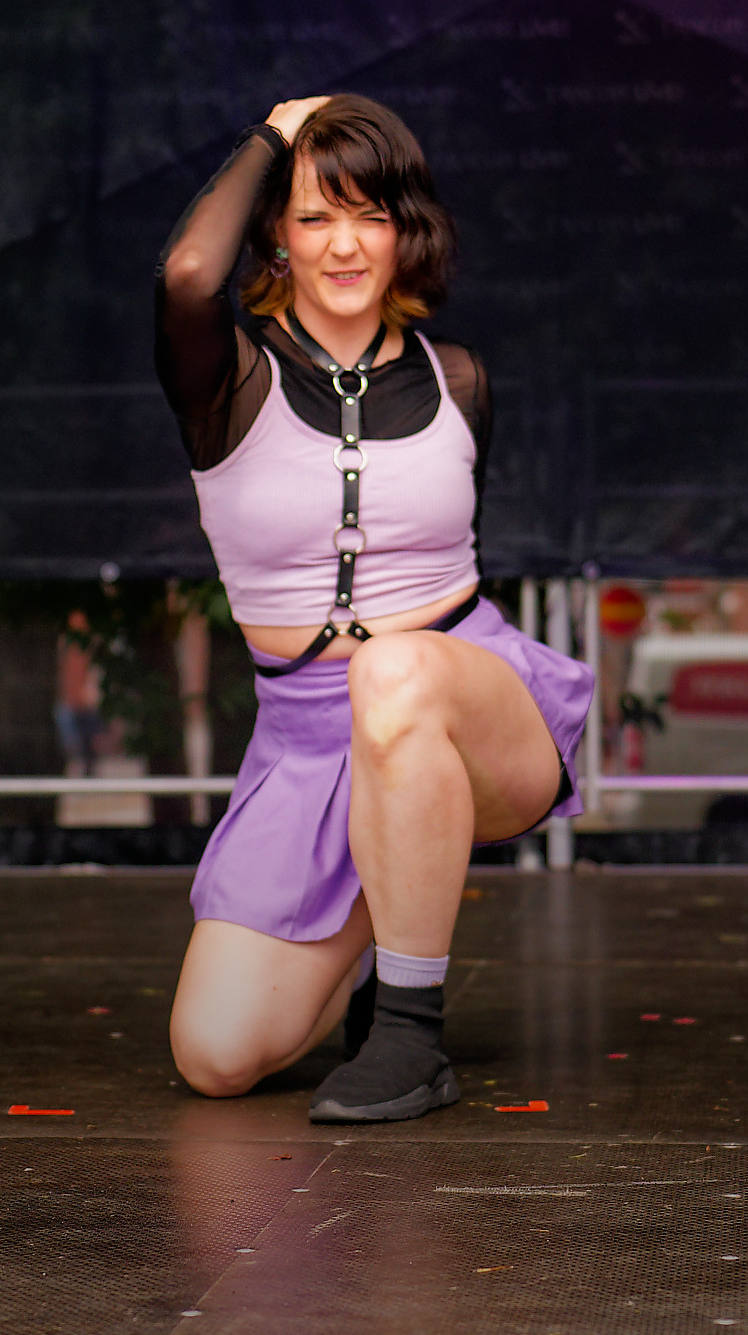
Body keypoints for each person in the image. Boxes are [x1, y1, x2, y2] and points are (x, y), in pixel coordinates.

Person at [155, 94, 592, 1123]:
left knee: (392, 671)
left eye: (370, 214)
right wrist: (273, 135)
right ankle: (375, 939)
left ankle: (409, 1031)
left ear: (406, 231)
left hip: (467, 707)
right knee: (214, 1055)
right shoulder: (229, 378)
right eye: (315, 216)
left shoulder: (460, 379)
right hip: (306, 746)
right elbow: (187, 274)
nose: (345, 244)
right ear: (277, 233)